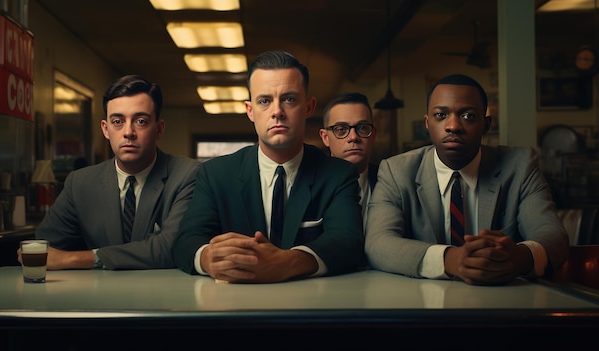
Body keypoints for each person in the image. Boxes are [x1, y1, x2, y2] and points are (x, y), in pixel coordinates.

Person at [172, 50, 364, 283]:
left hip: (312, 307)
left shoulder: (338, 175)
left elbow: (347, 241)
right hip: (233, 305)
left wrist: (286, 262)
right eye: (264, 101)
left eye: (289, 99)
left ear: (309, 107)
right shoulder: (215, 174)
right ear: (250, 110)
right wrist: (207, 258)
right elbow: (186, 241)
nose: (277, 112)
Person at [365, 73, 569, 286]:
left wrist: (520, 257)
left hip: (502, 301)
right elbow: (378, 243)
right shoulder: (396, 171)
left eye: (468, 116)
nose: (453, 126)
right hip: (424, 303)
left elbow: (554, 236)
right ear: (427, 123)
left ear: (486, 124)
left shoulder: (519, 166)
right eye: (441, 115)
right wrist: (451, 260)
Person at [18, 74, 200, 270]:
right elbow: (45, 249)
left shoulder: (187, 175)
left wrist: (80, 259)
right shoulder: (80, 183)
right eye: (117, 122)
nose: (128, 132)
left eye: (140, 121)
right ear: (105, 129)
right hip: (96, 296)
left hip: (162, 296)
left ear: (159, 129)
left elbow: (171, 247)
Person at [319, 92, 378, 224]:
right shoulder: (309, 184)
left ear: (373, 135)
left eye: (362, 128)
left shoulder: (390, 181)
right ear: (325, 138)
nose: (353, 137)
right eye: (341, 129)